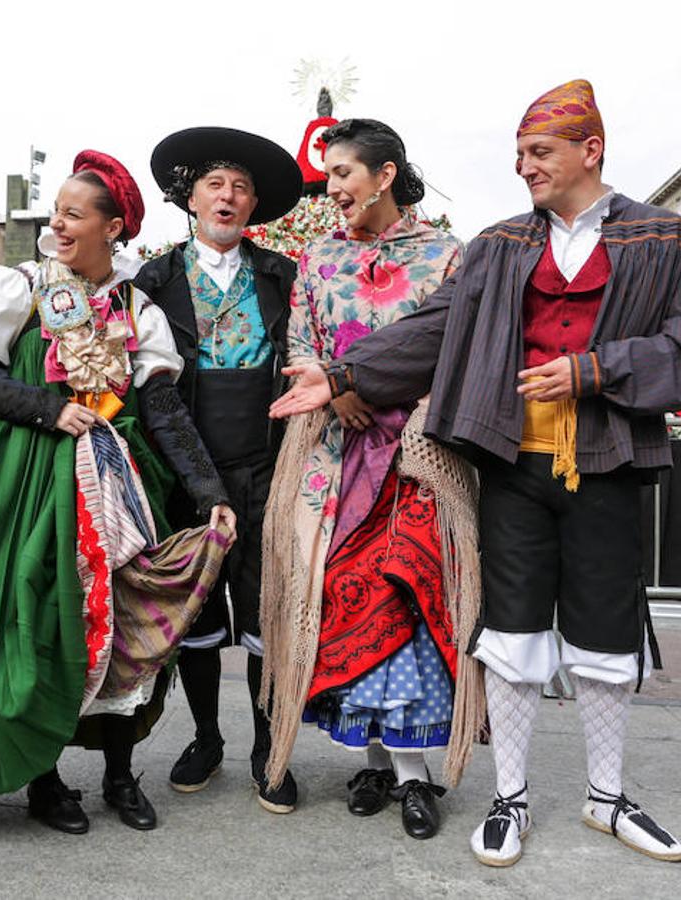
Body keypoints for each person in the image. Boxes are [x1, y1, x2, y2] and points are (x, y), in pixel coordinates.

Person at [272, 81, 681, 866]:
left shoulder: (665, 239)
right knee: (510, 637)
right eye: (518, 155)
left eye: (539, 153)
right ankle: (510, 799)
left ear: (592, 149)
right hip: (513, 467)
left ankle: (606, 798)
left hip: (607, 464)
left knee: (608, 640)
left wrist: (591, 371)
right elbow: (436, 327)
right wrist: (345, 377)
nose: (524, 169)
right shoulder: (500, 244)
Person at [0, 151, 236, 835]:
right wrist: (49, 410)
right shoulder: (19, 286)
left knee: (120, 628)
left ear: (113, 228)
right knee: (38, 621)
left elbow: (164, 408)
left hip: (115, 489)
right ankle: (44, 782)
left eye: (73, 214)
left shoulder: (137, 307)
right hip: (22, 483)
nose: (56, 224)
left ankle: (118, 775)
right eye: (56, 211)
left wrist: (208, 492)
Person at [258, 119, 481, 840]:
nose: (333, 188)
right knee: (342, 601)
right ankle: (381, 763)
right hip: (334, 453)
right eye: (329, 176)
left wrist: (372, 386)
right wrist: (342, 391)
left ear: (385, 176)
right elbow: (300, 342)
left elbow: (455, 351)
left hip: (415, 456)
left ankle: (417, 777)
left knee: (408, 593)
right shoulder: (318, 260)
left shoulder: (446, 257)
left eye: (345, 173)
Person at [134, 127, 302, 812]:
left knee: (267, 607)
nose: (227, 197)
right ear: (191, 197)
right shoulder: (155, 280)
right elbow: (149, 388)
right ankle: (206, 735)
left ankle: (269, 746)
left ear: (254, 203)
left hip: (269, 462)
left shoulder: (283, 276)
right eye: (215, 185)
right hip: (185, 465)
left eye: (240, 187)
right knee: (195, 609)